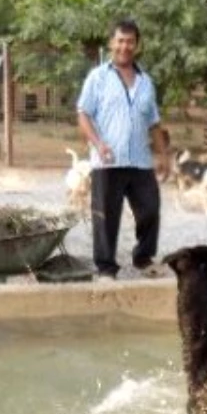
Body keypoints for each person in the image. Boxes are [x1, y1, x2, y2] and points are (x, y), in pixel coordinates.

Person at [76, 18, 169, 280]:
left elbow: (154, 122)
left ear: (137, 45)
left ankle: (143, 259)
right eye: (120, 41)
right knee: (106, 216)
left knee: (150, 208)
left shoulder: (146, 82)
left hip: (140, 160)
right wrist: (98, 143)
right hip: (108, 160)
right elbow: (83, 114)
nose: (125, 46)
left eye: (130, 41)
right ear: (111, 43)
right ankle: (106, 267)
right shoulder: (97, 78)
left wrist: (163, 155)